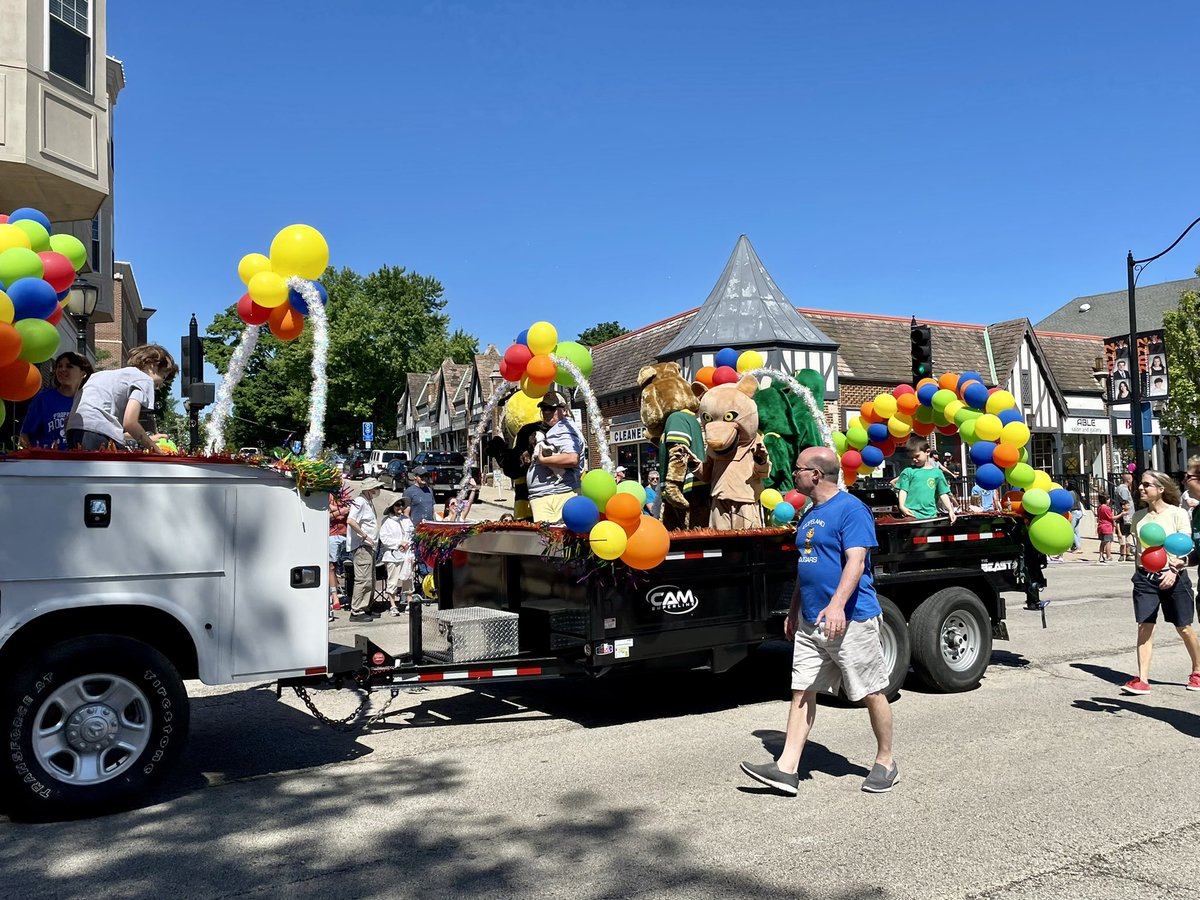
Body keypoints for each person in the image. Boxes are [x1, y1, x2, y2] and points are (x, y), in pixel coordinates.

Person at [739, 446, 898, 796]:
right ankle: (787, 768)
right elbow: (806, 565)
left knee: (870, 691)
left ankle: (886, 761)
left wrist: (838, 605)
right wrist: (795, 608)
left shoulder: (851, 509)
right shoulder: (810, 513)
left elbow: (856, 561)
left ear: (815, 474)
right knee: (802, 688)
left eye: (798, 469)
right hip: (811, 621)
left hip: (851, 620)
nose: (792, 474)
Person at [1121, 470, 1200, 695]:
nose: (1141, 488)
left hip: (1174, 576)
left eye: (1147, 485)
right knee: (1144, 625)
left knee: (1184, 627)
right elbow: (1141, 551)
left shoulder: (1178, 514)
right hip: (1145, 578)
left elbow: (1184, 546)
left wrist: (1174, 570)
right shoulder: (1138, 517)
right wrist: (1138, 575)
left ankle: (1197, 671)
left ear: (1161, 489)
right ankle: (1142, 679)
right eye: (1140, 484)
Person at [65, 344, 177, 452]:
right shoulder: (144, 379)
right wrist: (156, 449)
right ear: (153, 365)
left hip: (73, 430)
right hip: (98, 435)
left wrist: (148, 439)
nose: (161, 385)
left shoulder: (103, 375)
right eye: (163, 376)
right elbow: (130, 423)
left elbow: (110, 428)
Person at [525, 390, 584, 524]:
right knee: (550, 535)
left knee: (553, 535)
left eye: (551, 409)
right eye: (544, 408)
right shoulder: (560, 428)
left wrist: (543, 460)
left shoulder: (564, 429)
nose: (546, 412)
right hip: (551, 495)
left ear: (564, 410)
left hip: (557, 495)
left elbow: (572, 458)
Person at [18, 352, 94, 450]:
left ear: (83, 373)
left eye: (69, 366)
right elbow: (25, 435)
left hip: (78, 458)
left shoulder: (89, 401)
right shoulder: (43, 399)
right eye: (59, 366)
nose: (62, 369)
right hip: (46, 458)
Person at [347, 477, 383, 621]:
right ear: (369, 489)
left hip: (369, 546)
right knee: (363, 579)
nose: (378, 490)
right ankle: (357, 610)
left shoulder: (368, 502)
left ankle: (366, 606)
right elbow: (351, 520)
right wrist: (364, 535)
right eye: (376, 488)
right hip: (362, 546)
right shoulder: (359, 501)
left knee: (370, 579)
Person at [895, 439, 956, 523]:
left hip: (931, 515)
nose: (914, 459)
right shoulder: (908, 471)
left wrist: (950, 510)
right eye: (912, 457)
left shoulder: (937, 473)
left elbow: (943, 493)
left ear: (927, 452)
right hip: (911, 514)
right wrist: (902, 506)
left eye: (917, 456)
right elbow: (903, 490)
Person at [378, 496, 415, 617]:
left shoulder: (406, 520)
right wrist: (399, 543)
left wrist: (407, 544)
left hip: (406, 555)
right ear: (392, 507)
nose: (400, 507)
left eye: (402, 505)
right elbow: (384, 538)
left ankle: (409, 604)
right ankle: (393, 605)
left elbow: (412, 534)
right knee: (393, 581)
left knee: (408, 579)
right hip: (392, 556)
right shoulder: (386, 521)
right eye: (397, 505)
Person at [328, 487, 352, 618]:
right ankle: (334, 596)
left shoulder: (345, 495)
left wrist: (336, 510)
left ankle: (349, 594)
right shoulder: (327, 495)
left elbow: (350, 511)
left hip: (346, 534)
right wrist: (340, 511)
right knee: (331, 566)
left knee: (348, 566)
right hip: (332, 535)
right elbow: (326, 516)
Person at [1114, 471, 1135, 562]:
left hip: (1127, 518)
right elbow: (1124, 501)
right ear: (1128, 480)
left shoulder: (1120, 488)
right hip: (1126, 517)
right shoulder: (1124, 490)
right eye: (1131, 479)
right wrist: (1126, 509)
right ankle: (1123, 554)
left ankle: (1128, 553)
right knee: (1124, 538)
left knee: (1128, 539)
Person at [1096, 494, 1114, 563]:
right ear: (1106, 500)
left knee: (1103, 542)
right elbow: (1111, 517)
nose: (1109, 500)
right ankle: (1108, 556)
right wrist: (1121, 514)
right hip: (1107, 527)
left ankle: (1101, 555)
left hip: (1101, 526)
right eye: (1108, 499)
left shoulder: (1099, 507)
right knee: (1108, 542)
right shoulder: (1106, 508)